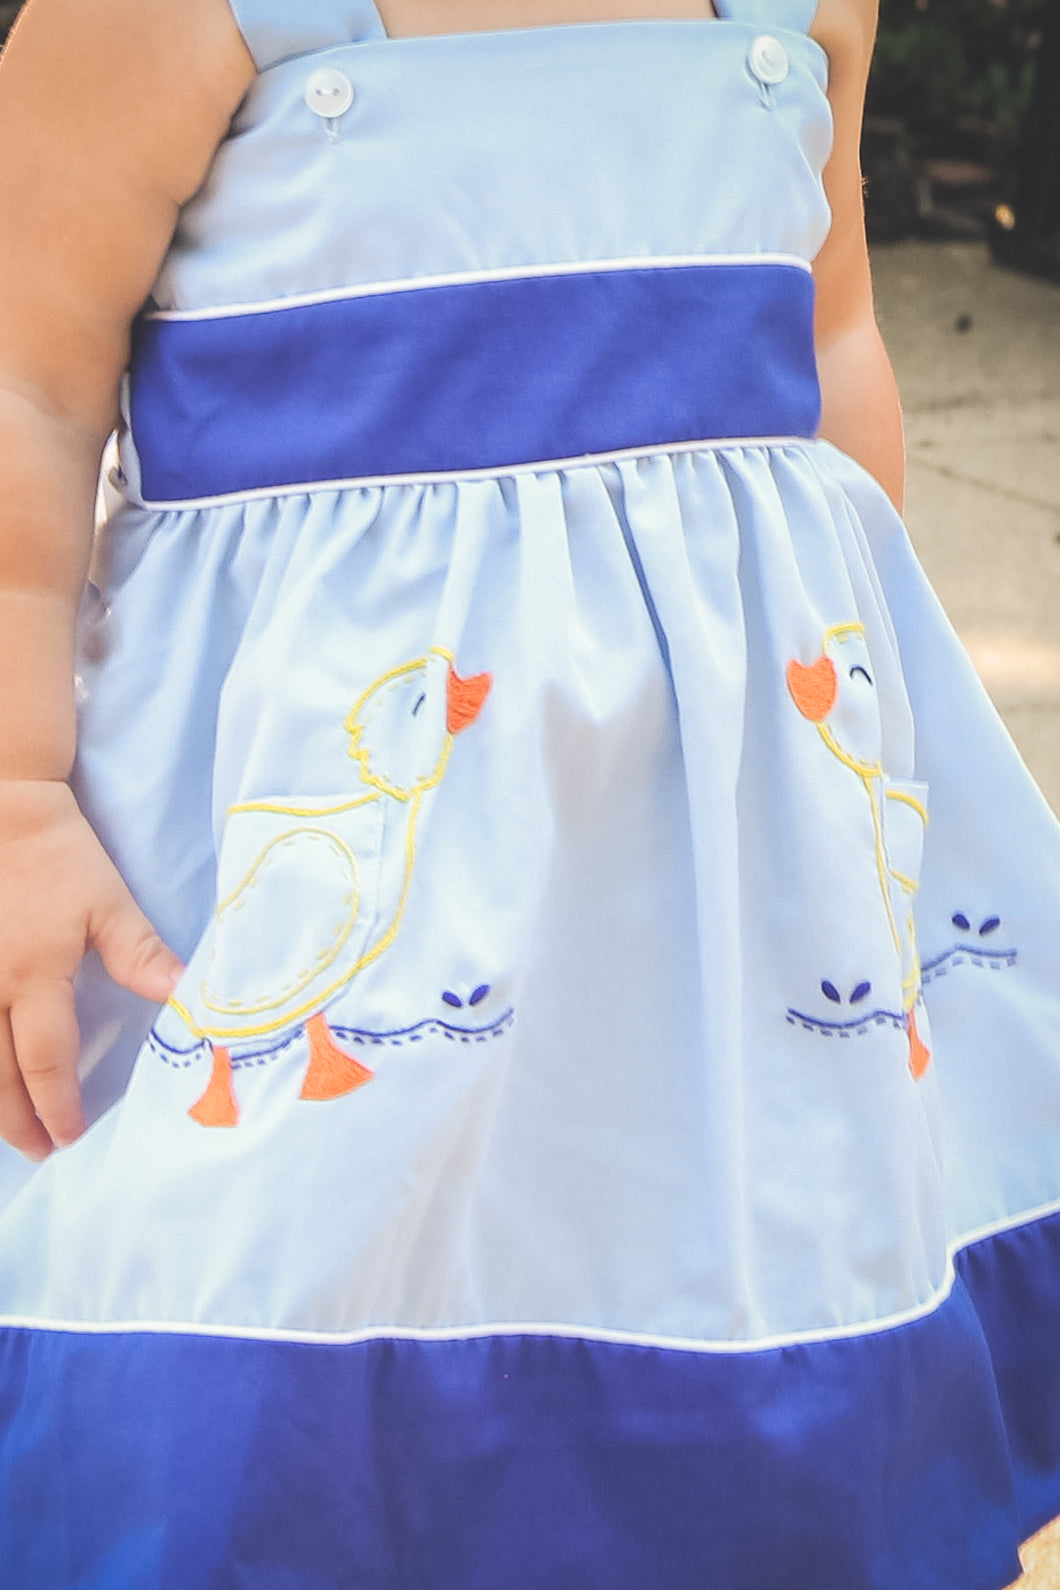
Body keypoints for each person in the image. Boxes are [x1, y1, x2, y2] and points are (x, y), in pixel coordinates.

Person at [0, 0, 1058, 1584]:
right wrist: (17, 794)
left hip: (714, 865)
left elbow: (831, 346)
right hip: (335, 840)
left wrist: (863, 723)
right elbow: (24, 379)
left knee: (742, 1264)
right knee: (274, 1318)